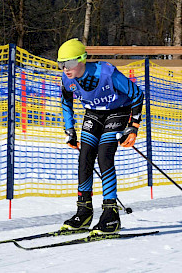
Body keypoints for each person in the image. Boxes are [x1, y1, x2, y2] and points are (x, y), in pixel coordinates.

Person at [57, 39, 144, 235]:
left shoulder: (106, 72)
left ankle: (110, 213)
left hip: (118, 111)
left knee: (104, 156)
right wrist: (70, 130)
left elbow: (137, 94)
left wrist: (133, 127)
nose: (65, 69)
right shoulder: (66, 80)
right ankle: (84, 211)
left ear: (82, 60)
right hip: (93, 114)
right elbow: (66, 103)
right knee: (85, 157)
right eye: (61, 64)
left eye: (69, 64)